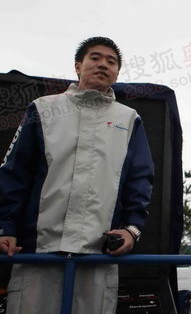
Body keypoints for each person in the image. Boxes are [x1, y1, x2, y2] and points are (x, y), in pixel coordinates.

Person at [0, 37, 154, 314]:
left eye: (111, 61)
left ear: (117, 73)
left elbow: (140, 181)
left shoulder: (129, 119)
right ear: (77, 66)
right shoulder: (43, 108)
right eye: (95, 58)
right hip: (39, 252)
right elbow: (15, 172)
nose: (103, 65)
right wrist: (5, 227)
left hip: (98, 255)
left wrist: (132, 230)